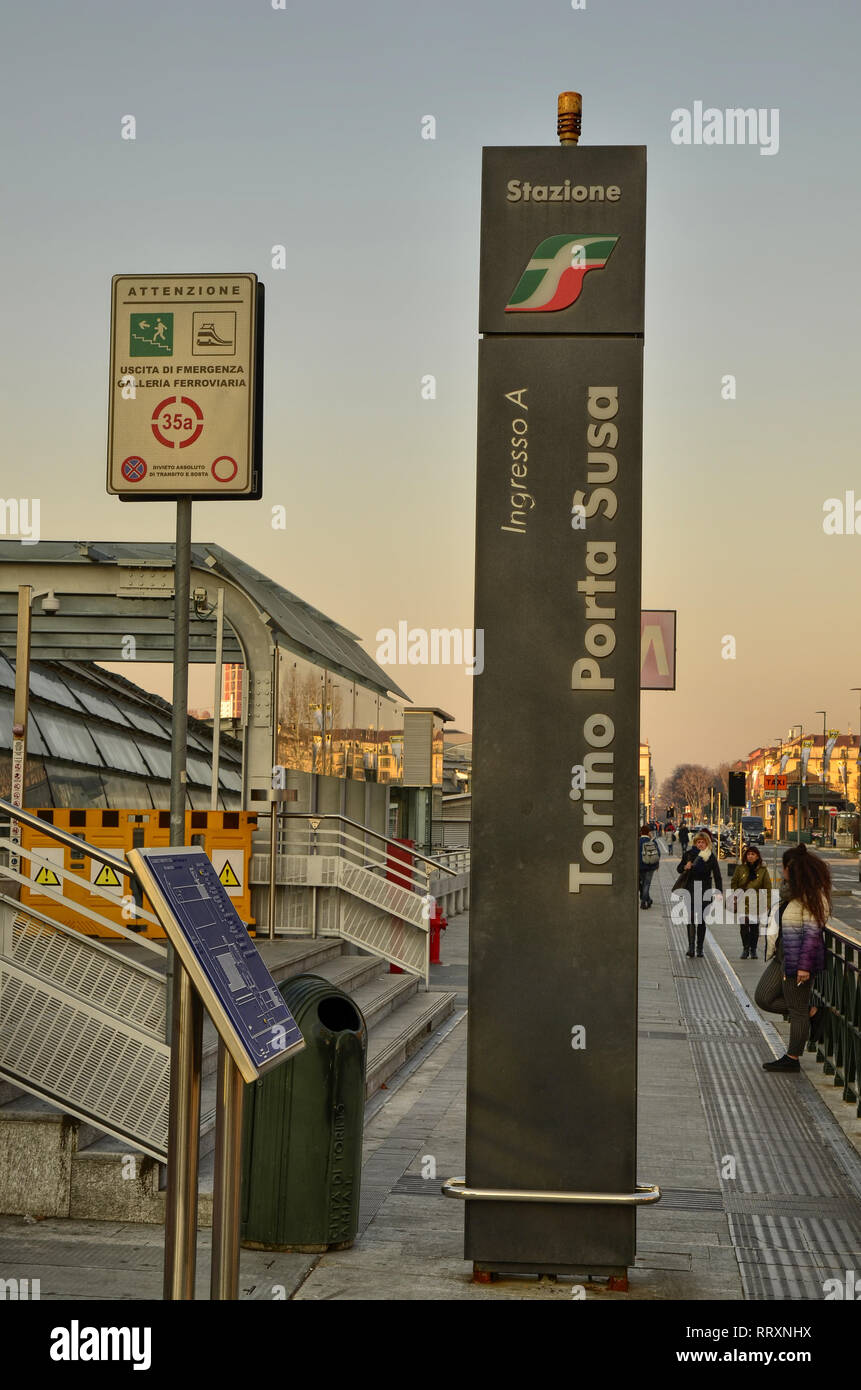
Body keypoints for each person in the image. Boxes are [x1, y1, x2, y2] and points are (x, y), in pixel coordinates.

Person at [754, 844, 829, 1073]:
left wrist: (804, 967)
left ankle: (792, 1057)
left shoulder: (813, 898)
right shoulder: (791, 893)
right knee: (763, 997)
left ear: (793, 870)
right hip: (782, 955)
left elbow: (813, 935)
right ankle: (813, 1012)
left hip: (797, 961)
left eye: (785, 868)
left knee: (796, 1009)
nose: (782, 872)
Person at [678, 828, 722, 957]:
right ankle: (691, 947)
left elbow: (717, 875)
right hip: (690, 889)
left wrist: (719, 892)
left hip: (705, 890)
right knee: (691, 918)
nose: (700, 844)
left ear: (707, 843)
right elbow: (679, 868)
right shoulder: (688, 854)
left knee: (701, 920)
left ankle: (699, 948)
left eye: (703, 842)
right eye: (698, 842)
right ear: (695, 843)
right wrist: (685, 867)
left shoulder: (710, 857)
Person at [730, 845, 772, 959]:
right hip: (742, 901)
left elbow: (768, 889)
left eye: (753, 854)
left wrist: (767, 904)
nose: (750, 856)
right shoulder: (740, 868)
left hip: (756, 903)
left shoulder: (763, 870)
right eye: (748, 854)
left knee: (754, 927)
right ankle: (745, 948)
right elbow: (734, 882)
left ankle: (753, 949)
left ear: (757, 856)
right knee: (743, 927)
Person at [638, 823, 661, 908]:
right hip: (650, 866)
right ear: (648, 832)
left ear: (641, 832)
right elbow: (658, 854)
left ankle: (647, 900)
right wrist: (657, 864)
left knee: (643, 883)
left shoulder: (637, 841)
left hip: (640, 866)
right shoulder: (652, 841)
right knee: (647, 884)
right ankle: (645, 901)